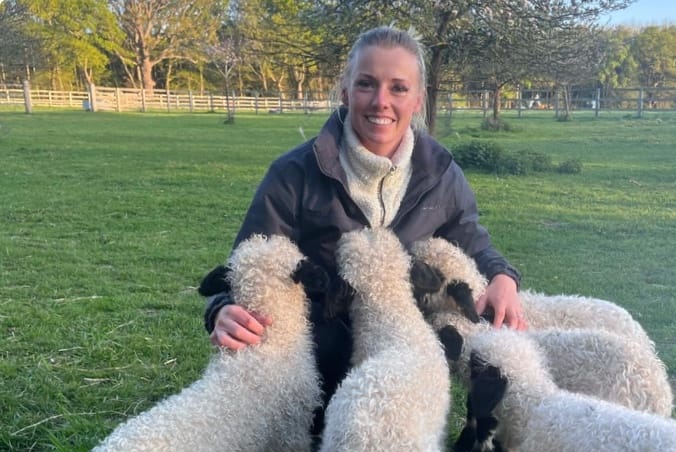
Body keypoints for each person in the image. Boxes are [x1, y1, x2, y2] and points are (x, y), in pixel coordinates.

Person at [204, 25, 526, 408]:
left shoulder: (440, 173)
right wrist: (222, 310)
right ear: (345, 90)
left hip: (403, 372)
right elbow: (248, 264)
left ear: (418, 99)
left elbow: (471, 242)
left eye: (398, 88)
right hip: (312, 375)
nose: (381, 101)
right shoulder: (294, 174)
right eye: (366, 84)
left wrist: (503, 277)